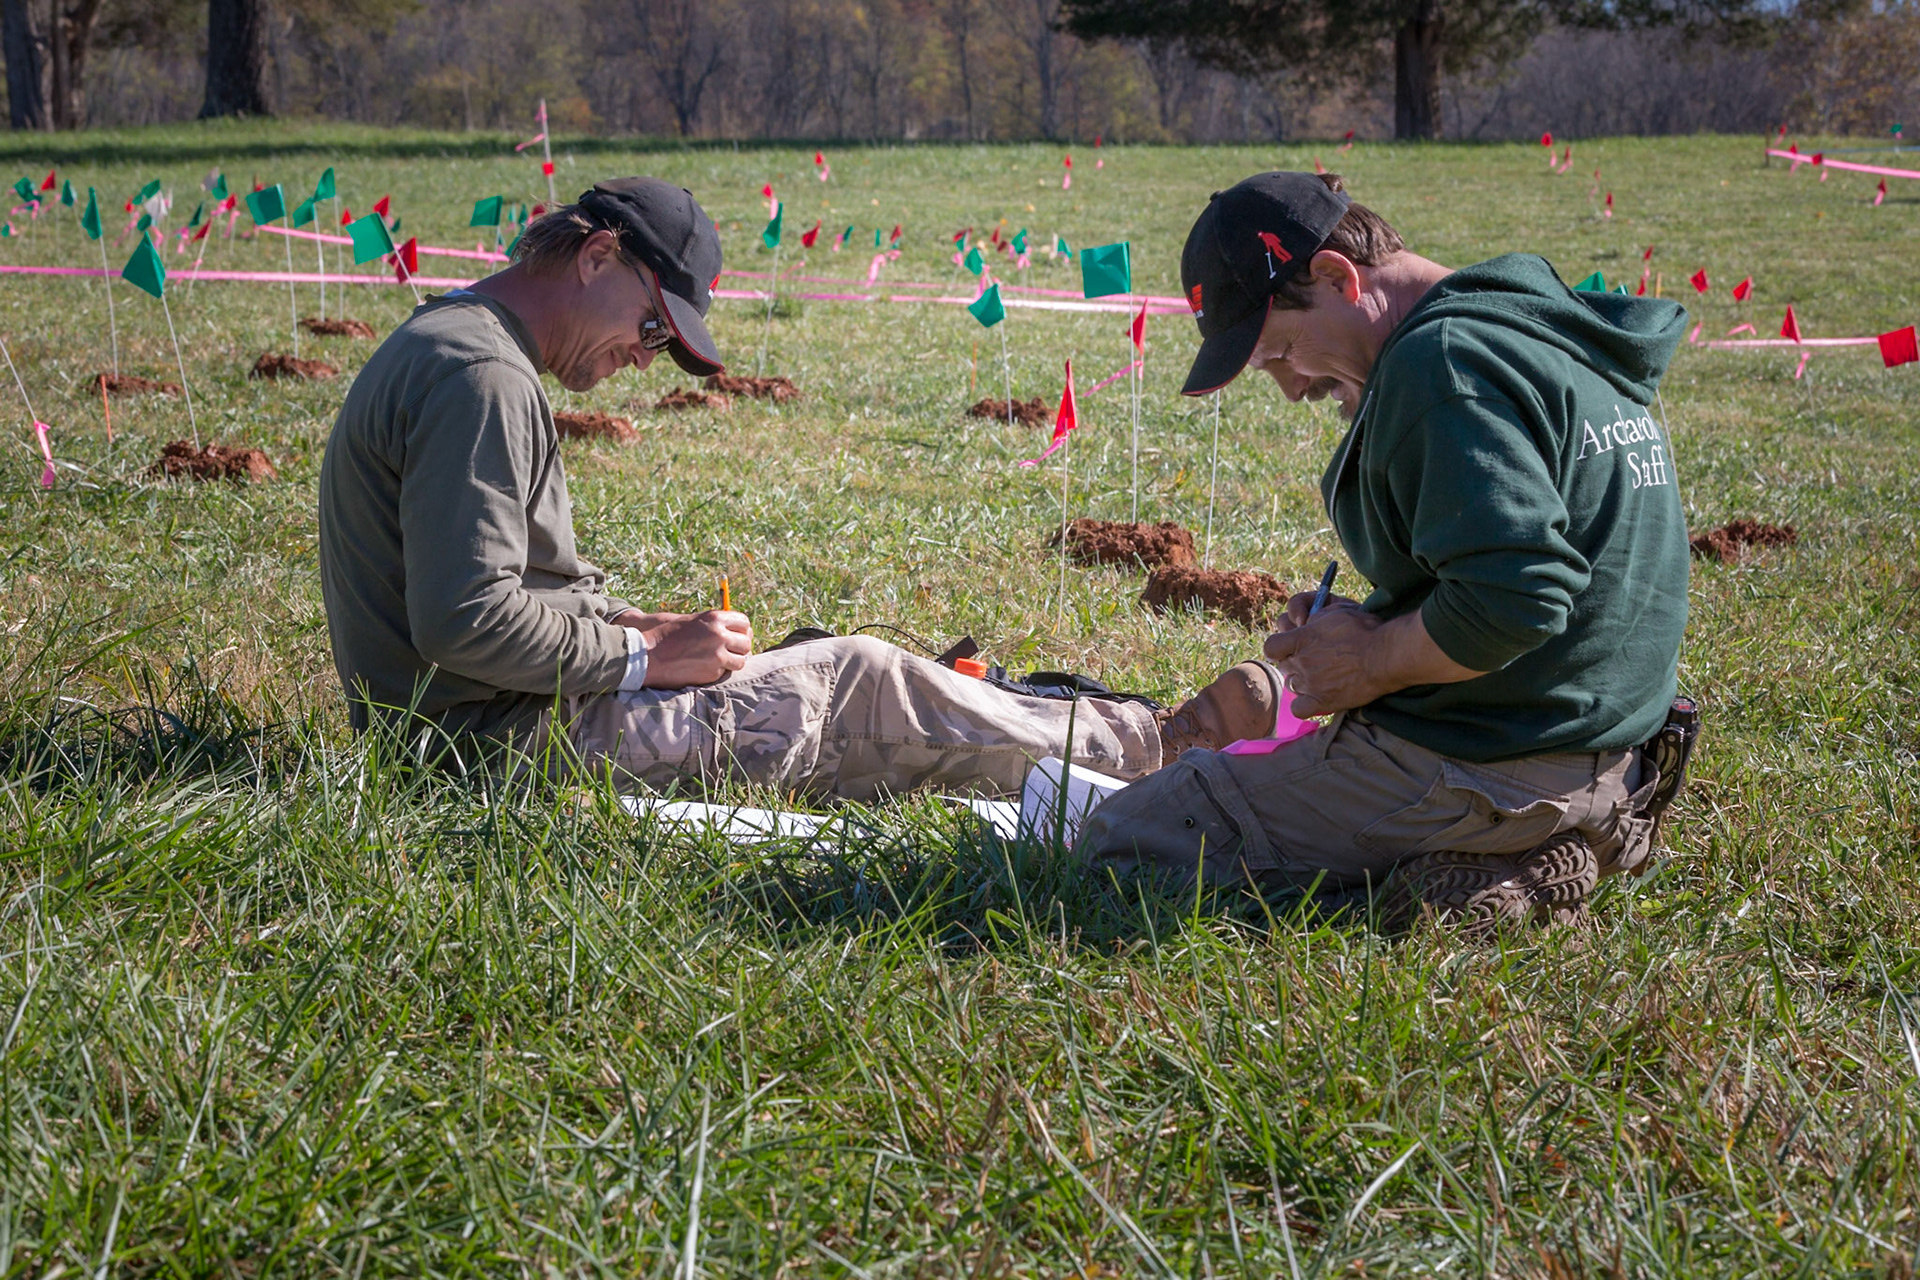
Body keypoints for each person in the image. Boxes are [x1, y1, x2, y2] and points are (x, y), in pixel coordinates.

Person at [316, 177, 1278, 801]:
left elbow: (488, 602)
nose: (644, 358)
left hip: (483, 725)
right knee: (859, 681)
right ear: (598, 255)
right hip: (498, 755)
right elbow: (463, 622)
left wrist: (645, 634)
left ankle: (1114, 739)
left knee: (821, 668)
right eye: (653, 329)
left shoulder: (459, 343)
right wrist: (645, 659)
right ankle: (1165, 755)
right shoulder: (481, 376)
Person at [1075, 171, 1694, 928]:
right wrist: (1371, 624)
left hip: (1496, 761)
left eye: (1283, 351)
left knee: (1123, 841)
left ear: (1337, 277)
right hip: (1616, 755)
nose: (1292, 387)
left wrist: (1369, 662)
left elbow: (1515, 597)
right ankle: (1558, 837)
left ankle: (1473, 876)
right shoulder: (1528, 326)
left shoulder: (1444, 363)